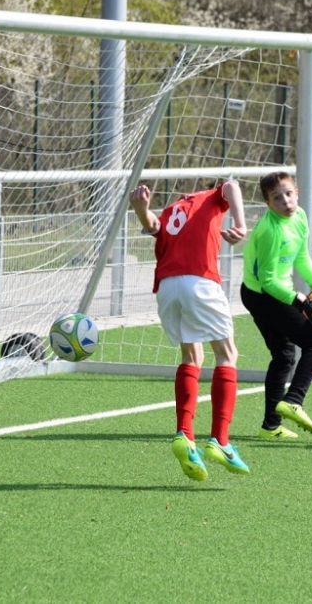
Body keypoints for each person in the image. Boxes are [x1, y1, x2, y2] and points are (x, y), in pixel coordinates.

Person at [129, 180, 250, 481]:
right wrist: (240, 223)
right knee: (227, 354)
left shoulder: (174, 208)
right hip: (199, 280)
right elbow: (232, 184)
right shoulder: (213, 196)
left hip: (166, 286)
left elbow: (153, 225)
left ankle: (185, 434)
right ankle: (220, 440)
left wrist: (141, 209)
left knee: (191, 356)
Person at [241, 171, 312, 439]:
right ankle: (294, 400)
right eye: (276, 197)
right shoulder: (269, 230)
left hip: (271, 292)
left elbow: (301, 256)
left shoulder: (300, 216)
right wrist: (299, 300)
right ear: (268, 203)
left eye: (288, 193)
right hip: (263, 295)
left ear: (297, 193)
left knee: (283, 356)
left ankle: (270, 427)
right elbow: (268, 281)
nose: (285, 201)